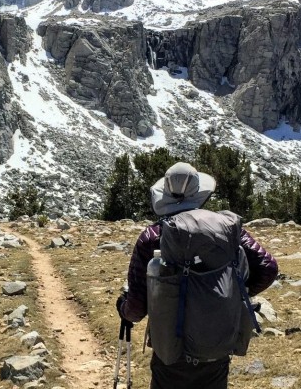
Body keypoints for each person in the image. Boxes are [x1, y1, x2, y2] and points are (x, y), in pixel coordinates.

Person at [116, 162, 278, 389]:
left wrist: (123, 308)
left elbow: (136, 309)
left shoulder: (153, 236)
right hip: (216, 344)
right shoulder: (228, 230)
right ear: (199, 193)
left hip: (170, 349)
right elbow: (268, 267)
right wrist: (234, 291)